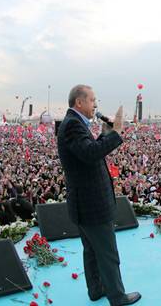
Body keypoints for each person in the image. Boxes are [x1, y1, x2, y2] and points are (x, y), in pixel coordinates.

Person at [57, 84, 141, 306]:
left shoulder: (74, 124)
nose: (96, 105)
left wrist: (105, 132)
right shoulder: (73, 125)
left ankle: (96, 289)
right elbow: (91, 153)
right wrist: (116, 133)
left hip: (84, 204)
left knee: (92, 251)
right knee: (107, 253)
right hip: (91, 204)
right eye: (93, 100)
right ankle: (118, 297)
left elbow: (88, 150)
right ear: (79, 102)